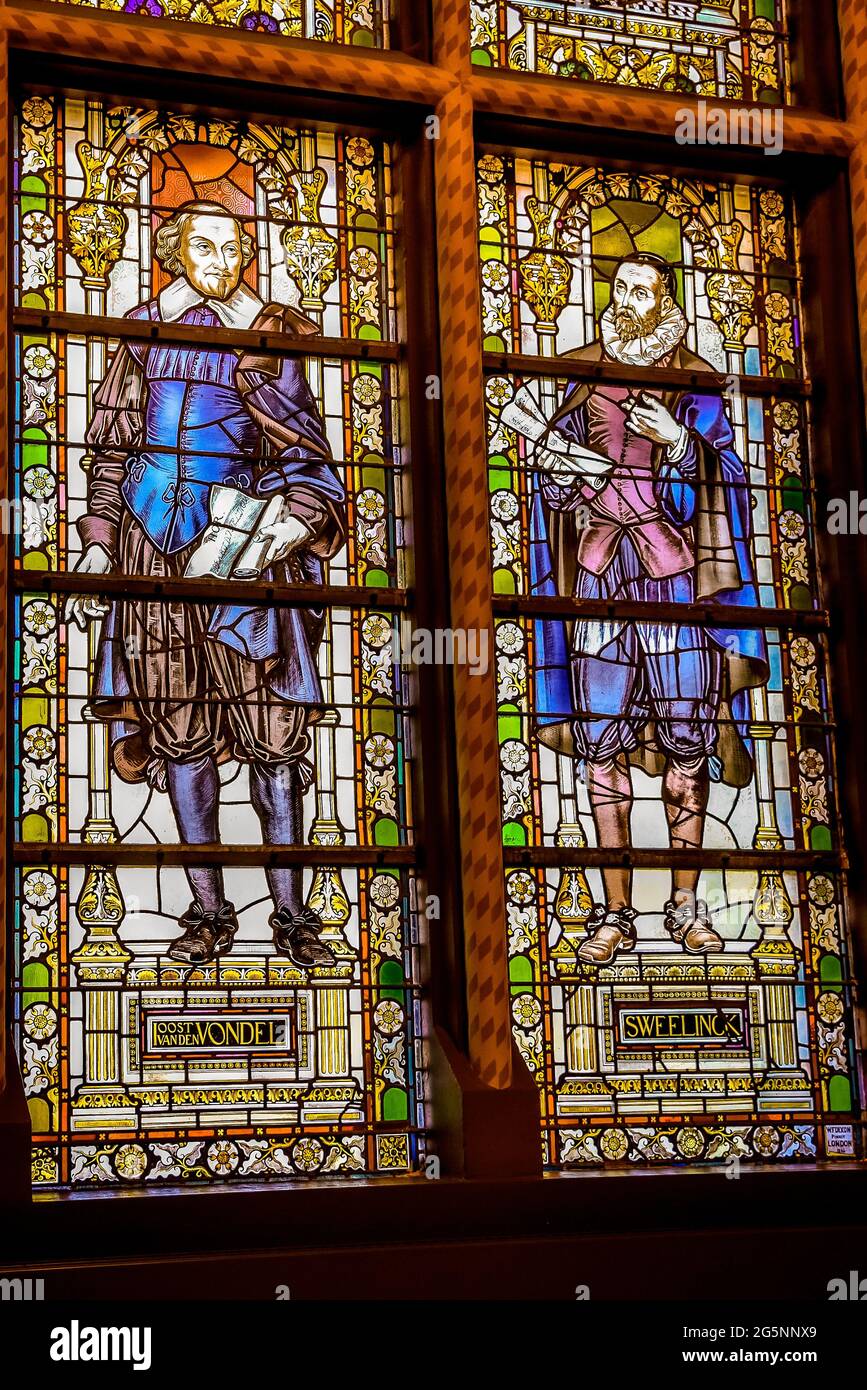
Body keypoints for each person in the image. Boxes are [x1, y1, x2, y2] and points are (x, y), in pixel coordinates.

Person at [68, 200, 346, 968]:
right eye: (204, 246)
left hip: (245, 560)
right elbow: (110, 449)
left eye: (232, 247)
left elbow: (306, 452)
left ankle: (293, 917)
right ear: (173, 252)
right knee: (180, 735)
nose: (220, 260)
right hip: (152, 561)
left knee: (275, 743)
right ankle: (208, 912)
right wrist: (98, 541)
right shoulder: (142, 330)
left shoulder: (271, 335)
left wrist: (292, 520)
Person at [530, 252, 768, 964]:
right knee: (599, 748)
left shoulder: (696, 385)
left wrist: (680, 444)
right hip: (600, 580)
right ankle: (613, 913)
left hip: (673, 586)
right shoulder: (578, 380)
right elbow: (551, 493)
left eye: (642, 291)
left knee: (685, 746)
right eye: (619, 289)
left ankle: (686, 903)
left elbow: (732, 484)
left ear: (667, 301)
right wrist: (559, 478)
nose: (626, 301)